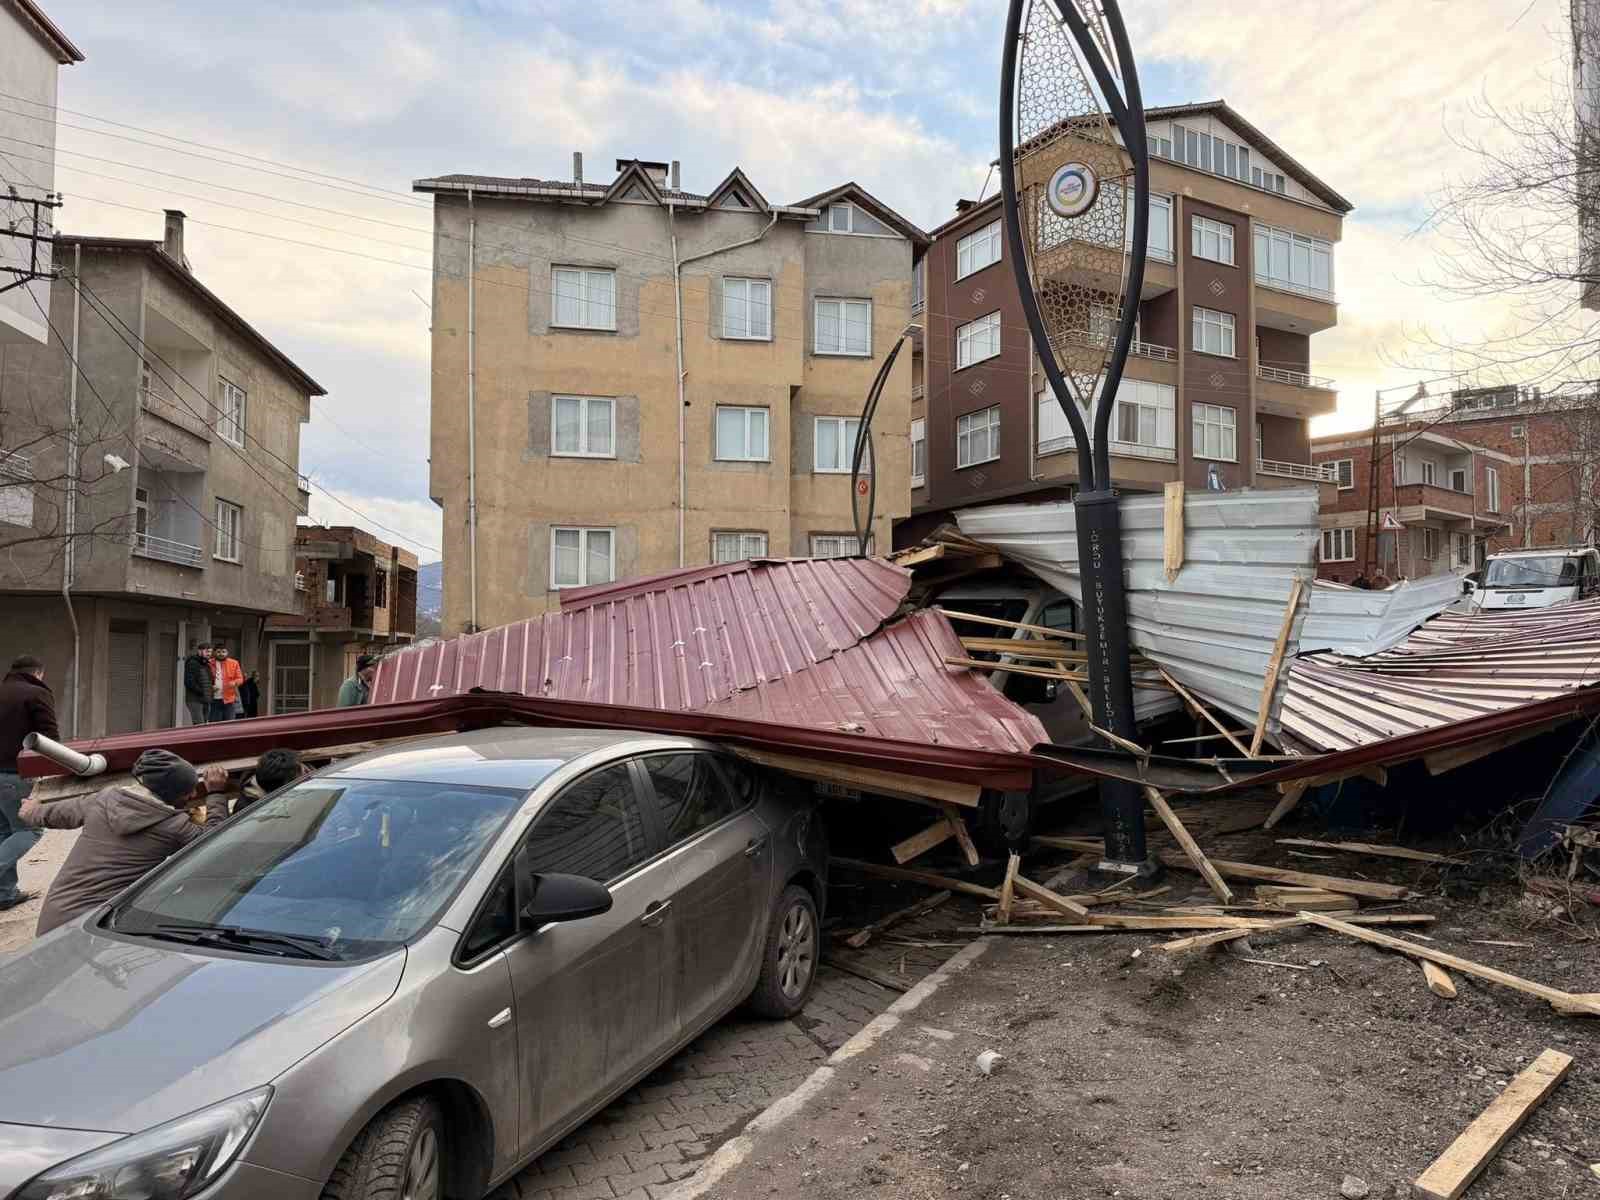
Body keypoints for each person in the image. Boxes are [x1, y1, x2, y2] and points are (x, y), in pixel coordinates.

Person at [22, 748, 228, 937]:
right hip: (96, 924)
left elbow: (58, 814)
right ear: (170, 793)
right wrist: (216, 793)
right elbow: (216, 843)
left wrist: (32, 810)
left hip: (54, 917)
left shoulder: (104, 799)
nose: (193, 794)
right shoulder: (172, 826)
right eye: (188, 791)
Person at [0, 655, 58, 912]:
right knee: (29, 830)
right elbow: (49, 738)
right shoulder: (36, 693)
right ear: (38, 673)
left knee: (5, 832)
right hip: (16, 773)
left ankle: (4, 894)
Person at [232, 747, 306, 814]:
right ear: (284, 789)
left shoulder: (266, 783)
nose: (306, 779)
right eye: (302, 777)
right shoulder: (249, 813)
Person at [211, 647, 244, 721]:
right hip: (214, 699)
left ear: (227, 652)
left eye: (223, 652)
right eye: (218, 652)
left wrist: (234, 682)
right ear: (214, 653)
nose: (221, 654)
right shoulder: (209, 663)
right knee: (215, 723)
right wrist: (210, 686)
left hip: (229, 699)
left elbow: (240, 679)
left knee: (229, 723)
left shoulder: (234, 663)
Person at [183, 644, 212, 726]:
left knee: (204, 725)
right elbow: (189, 682)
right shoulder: (192, 663)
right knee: (199, 725)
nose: (209, 654)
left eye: (210, 652)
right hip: (195, 699)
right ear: (199, 651)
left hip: (206, 699)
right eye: (207, 651)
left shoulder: (206, 664)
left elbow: (208, 681)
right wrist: (201, 691)